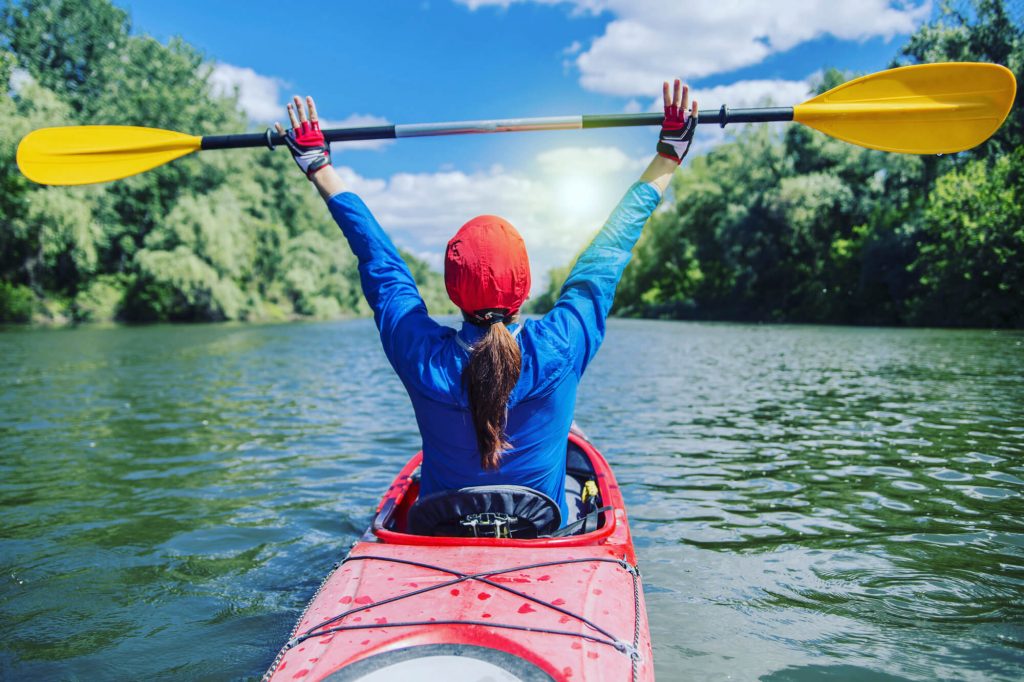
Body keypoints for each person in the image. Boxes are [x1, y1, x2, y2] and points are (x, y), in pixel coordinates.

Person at [276, 81, 697, 528]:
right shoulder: (563, 343)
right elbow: (609, 250)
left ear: (453, 291)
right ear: (525, 286)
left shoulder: (419, 353)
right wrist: (670, 153)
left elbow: (378, 260)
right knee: (578, 485)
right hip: (540, 534)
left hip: (439, 531)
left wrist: (318, 165)